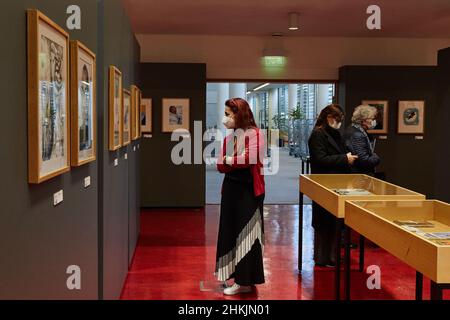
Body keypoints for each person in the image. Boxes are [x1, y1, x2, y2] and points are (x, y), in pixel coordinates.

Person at [215, 98, 266, 295]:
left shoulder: (255, 134)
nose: (225, 118)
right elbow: (220, 165)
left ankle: (245, 280)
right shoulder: (230, 138)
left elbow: (250, 159)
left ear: (239, 114)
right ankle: (236, 277)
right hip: (231, 190)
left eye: (228, 114)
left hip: (249, 192)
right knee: (230, 233)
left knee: (247, 235)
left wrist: (229, 159)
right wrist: (231, 160)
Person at [308, 104, 358, 267]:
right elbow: (320, 159)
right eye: (337, 119)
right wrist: (344, 158)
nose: (339, 122)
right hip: (324, 184)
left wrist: (346, 156)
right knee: (324, 223)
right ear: (329, 117)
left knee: (335, 222)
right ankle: (324, 257)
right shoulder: (318, 134)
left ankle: (332, 256)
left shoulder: (334, 134)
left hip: (337, 184)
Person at [344, 105, 381, 175]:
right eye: (371, 118)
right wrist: (376, 158)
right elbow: (364, 160)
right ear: (363, 120)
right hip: (359, 176)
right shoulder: (357, 134)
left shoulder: (353, 129)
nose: (373, 121)